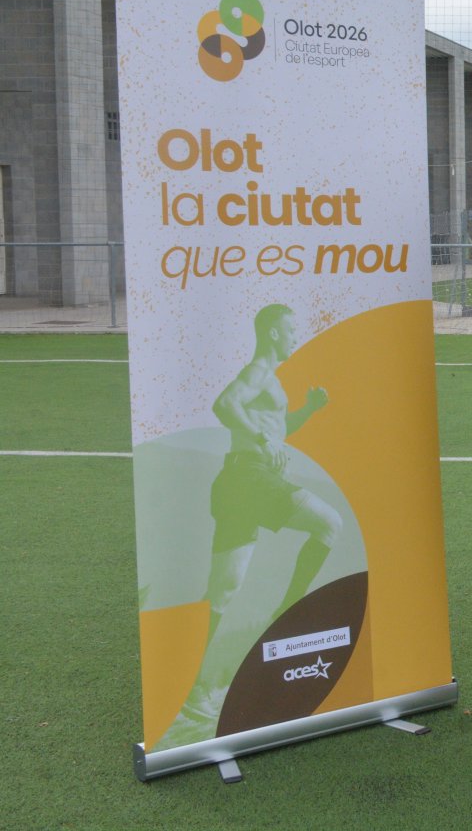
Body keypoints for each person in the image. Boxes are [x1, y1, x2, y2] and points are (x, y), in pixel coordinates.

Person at [160, 303, 338, 746]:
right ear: (273, 332)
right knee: (329, 523)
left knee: (222, 590)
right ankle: (286, 611)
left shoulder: (269, 380)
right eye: (291, 329)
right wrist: (260, 438)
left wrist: (308, 410)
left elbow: (276, 429)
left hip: (238, 482)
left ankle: (186, 684)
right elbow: (225, 404)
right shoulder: (258, 370)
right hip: (250, 477)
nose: (295, 335)